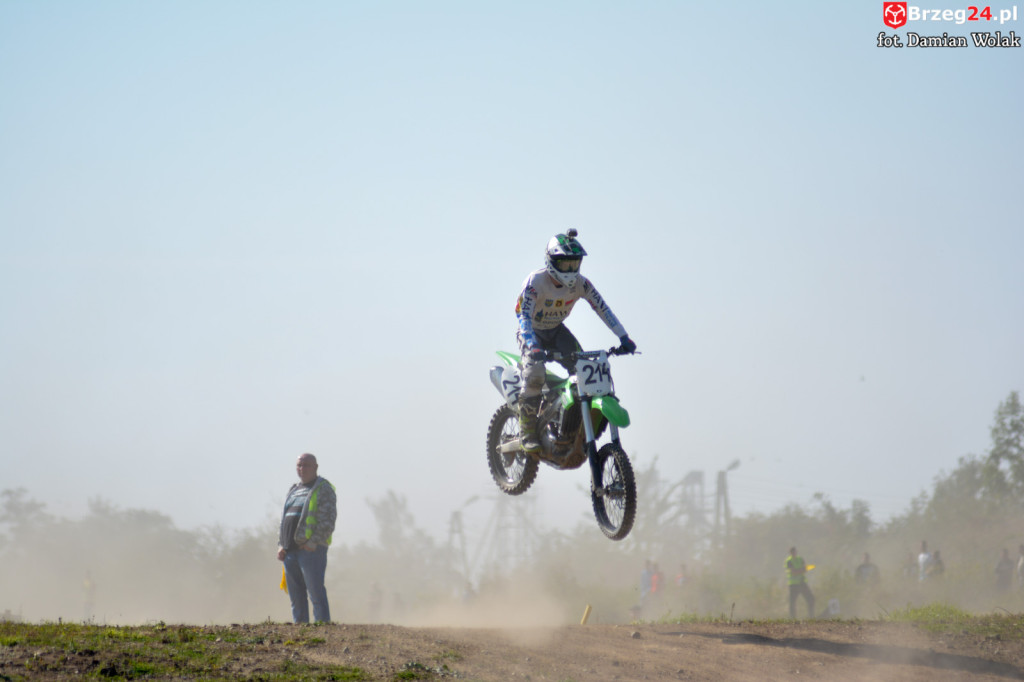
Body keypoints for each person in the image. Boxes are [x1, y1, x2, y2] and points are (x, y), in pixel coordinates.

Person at [514, 229, 636, 452]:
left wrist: (623, 336)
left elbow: (602, 308)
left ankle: (573, 424)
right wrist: (531, 344)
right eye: (565, 264)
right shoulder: (535, 282)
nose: (570, 270)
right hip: (532, 333)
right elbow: (523, 316)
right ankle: (527, 430)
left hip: (558, 331)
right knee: (535, 374)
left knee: (584, 373)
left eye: (574, 264)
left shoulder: (582, 284)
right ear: (551, 261)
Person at [277, 453, 337, 623]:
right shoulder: (294, 490)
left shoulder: (323, 489)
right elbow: (284, 520)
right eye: (299, 465)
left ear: (316, 467)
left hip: (311, 550)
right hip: (290, 551)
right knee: (296, 597)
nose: (302, 469)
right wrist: (281, 545)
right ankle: (301, 632)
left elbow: (328, 520)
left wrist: (313, 542)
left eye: (306, 465)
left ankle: (322, 630)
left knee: (315, 593)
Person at [785, 547, 815, 619]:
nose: (794, 553)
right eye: (792, 552)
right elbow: (794, 572)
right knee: (792, 602)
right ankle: (793, 619)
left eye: (795, 552)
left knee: (811, 599)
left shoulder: (800, 559)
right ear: (790, 553)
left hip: (802, 582)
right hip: (794, 584)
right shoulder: (789, 561)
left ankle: (811, 617)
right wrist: (801, 570)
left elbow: (805, 569)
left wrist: (800, 570)